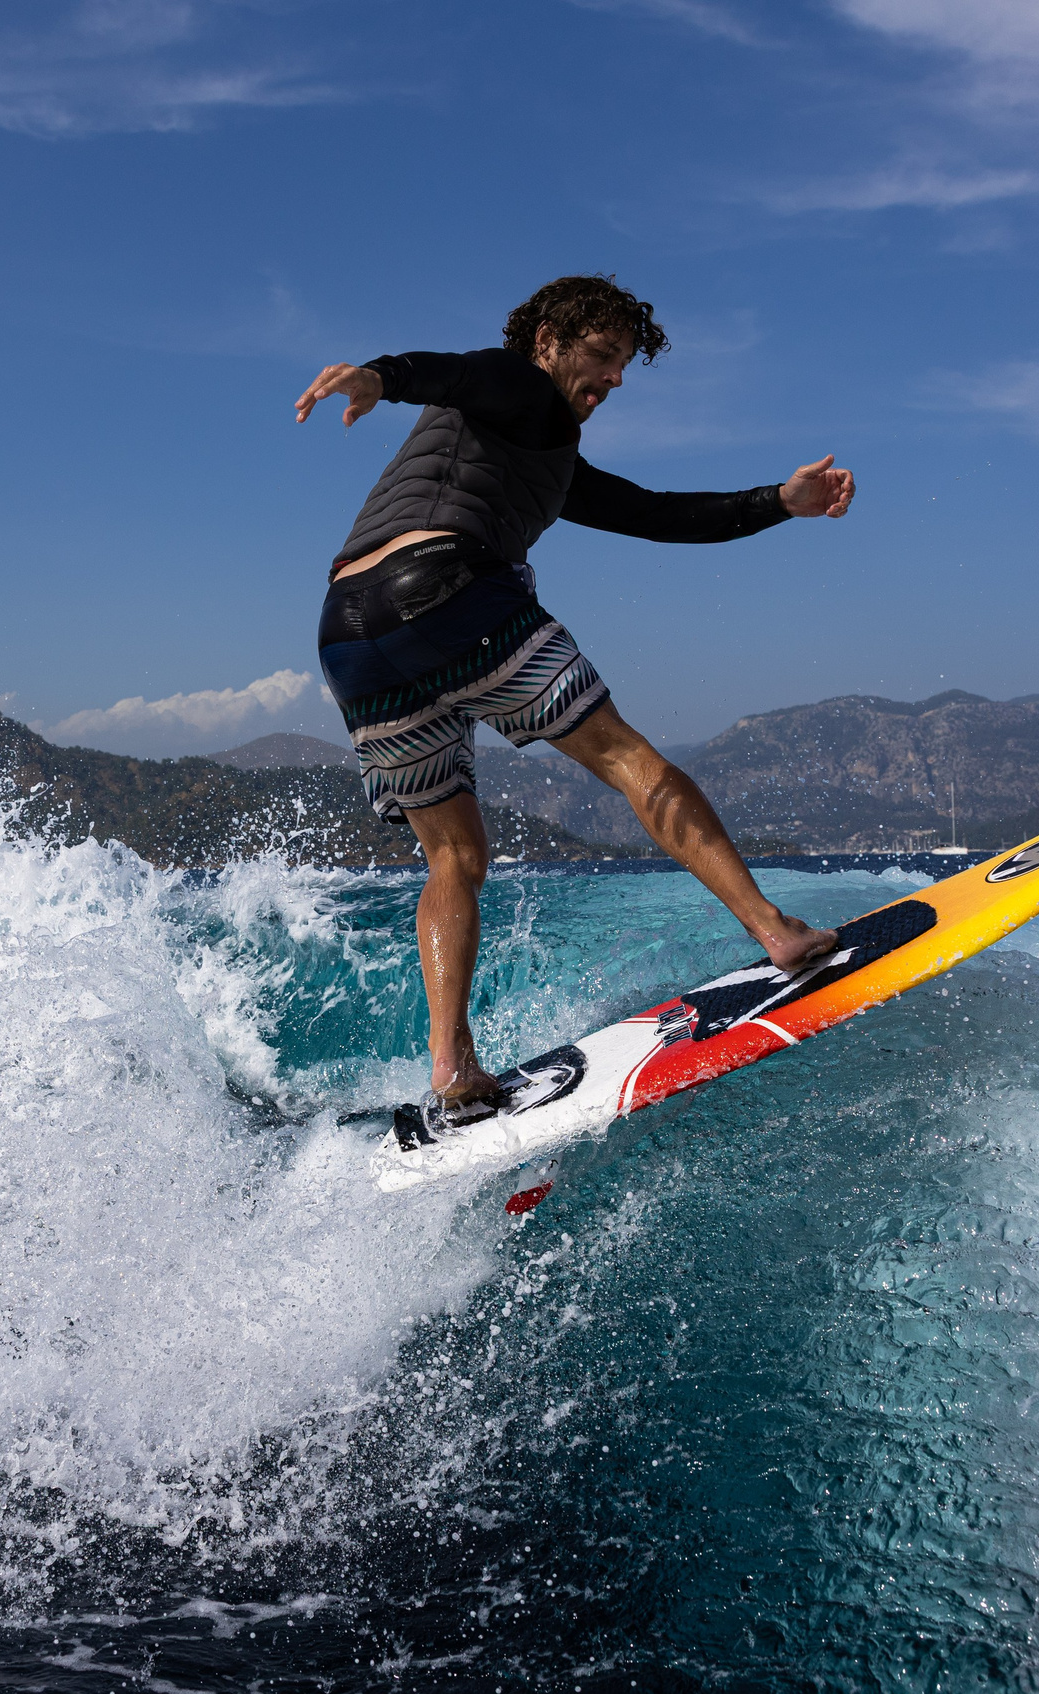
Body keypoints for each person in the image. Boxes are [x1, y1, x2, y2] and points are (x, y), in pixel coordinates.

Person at [295, 273, 855, 1118]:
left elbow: (658, 512)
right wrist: (383, 375)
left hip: (348, 627)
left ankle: (451, 1065)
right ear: (549, 339)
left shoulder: (544, 452)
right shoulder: (523, 386)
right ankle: (775, 931)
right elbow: (469, 370)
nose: (616, 378)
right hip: (445, 587)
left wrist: (779, 501)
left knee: (454, 856)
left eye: (625, 364)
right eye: (602, 354)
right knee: (626, 757)